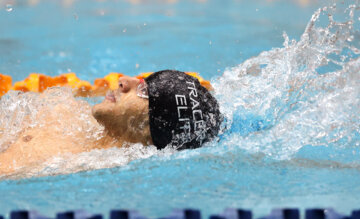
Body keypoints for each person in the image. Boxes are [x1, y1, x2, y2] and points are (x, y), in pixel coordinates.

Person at [0, 70, 223, 176]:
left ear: (149, 130)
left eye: (144, 91)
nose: (124, 81)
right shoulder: (69, 111)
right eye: (143, 81)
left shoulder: (72, 165)